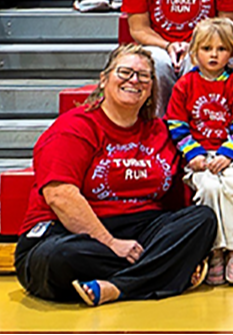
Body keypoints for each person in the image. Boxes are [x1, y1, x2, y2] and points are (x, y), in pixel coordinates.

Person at [14, 46, 220, 306]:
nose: (134, 80)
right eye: (125, 72)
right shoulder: (73, 128)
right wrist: (111, 243)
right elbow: (60, 196)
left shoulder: (161, 131)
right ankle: (165, 272)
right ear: (104, 79)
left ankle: (115, 287)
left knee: (202, 220)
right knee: (60, 256)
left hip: (140, 227)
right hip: (71, 229)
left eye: (144, 76)